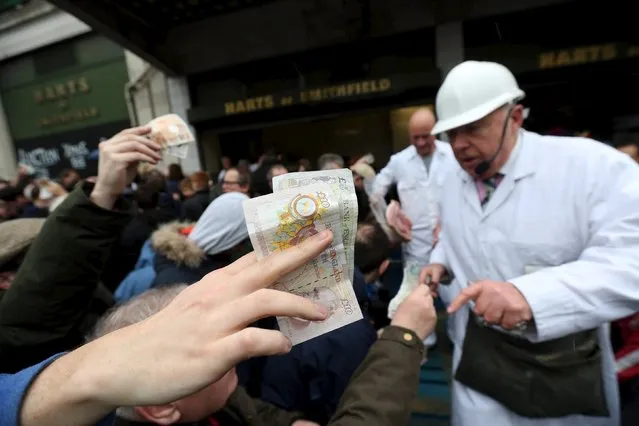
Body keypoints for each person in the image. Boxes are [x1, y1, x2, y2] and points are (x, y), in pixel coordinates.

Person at [1, 234, 437, 426]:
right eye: (208, 359)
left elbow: (235, 408)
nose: (235, 352)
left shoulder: (206, 402)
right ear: (161, 408)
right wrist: (405, 336)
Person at [420, 60, 639, 426]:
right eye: (451, 133)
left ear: (516, 117)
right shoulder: (449, 178)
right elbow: (457, 234)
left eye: (473, 128)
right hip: (479, 369)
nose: (459, 145)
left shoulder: (589, 166)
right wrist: (440, 262)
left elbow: (631, 258)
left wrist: (533, 297)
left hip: (562, 367)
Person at [373, 108, 457, 348]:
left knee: (456, 289)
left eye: (426, 136)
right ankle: (423, 341)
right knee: (419, 292)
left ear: (436, 132)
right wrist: (391, 216)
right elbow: (376, 189)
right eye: (415, 137)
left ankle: (457, 336)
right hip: (416, 243)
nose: (421, 142)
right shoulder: (399, 161)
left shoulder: (452, 155)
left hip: (451, 238)